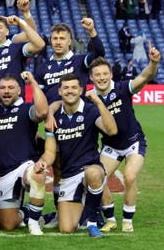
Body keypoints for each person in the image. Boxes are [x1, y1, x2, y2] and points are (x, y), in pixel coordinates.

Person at [36, 73, 118, 237]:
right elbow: (50, 152)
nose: (70, 91)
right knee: (66, 228)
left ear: (81, 89)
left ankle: (93, 222)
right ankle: (87, 206)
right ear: (59, 91)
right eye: (66, 88)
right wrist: (43, 162)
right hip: (69, 175)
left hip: (90, 168)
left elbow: (112, 130)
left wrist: (98, 102)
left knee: (94, 173)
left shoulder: (90, 110)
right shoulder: (54, 118)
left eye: (74, 87)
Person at [90, 46, 161, 233]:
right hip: (111, 147)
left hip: (133, 141)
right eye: (97, 75)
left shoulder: (122, 88)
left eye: (105, 73)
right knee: (98, 178)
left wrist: (153, 63)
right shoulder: (90, 100)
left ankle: (128, 220)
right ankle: (110, 218)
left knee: (129, 176)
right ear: (91, 78)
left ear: (111, 74)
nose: (102, 77)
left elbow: (144, 77)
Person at [0, 72, 48, 235]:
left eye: (11, 88)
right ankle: (27, 211)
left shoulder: (26, 109)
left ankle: (34, 223)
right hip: (2, 172)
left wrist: (33, 83)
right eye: (2, 88)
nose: (6, 91)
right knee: (7, 225)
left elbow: (43, 112)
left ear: (19, 91)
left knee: (37, 175)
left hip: (24, 166)